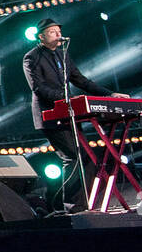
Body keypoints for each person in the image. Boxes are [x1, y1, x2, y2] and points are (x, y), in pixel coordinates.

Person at [22, 16, 128, 212]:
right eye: (53, 32)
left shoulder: (63, 55)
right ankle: (73, 207)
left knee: (85, 157)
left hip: (70, 114)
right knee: (72, 157)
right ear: (41, 37)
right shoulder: (32, 57)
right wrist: (65, 100)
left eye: (59, 31)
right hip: (50, 115)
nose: (58, 34)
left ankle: (85, 204)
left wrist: (110, 94)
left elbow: (83, 81)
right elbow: (38, 88)